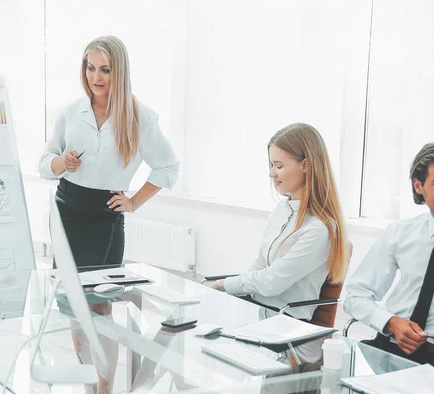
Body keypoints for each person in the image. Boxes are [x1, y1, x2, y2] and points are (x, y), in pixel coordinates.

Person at [39, 35, 179, 393]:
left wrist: (133, 202)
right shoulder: (71, 112)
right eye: (90, 67)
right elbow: (44, 163)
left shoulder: (140, 117)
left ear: (120, 73)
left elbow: (167, 167)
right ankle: (89, 386)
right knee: (74, 308)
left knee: (100, 309)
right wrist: (62, 162)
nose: (96, 77)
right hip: (66, 214)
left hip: (105, 221)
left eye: (105, 69)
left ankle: (104, 389)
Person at [212, 123, 349, 322]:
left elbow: (272, 283)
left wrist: (224, 284)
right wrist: (233, 290)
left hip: (287, 322)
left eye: (279, 166)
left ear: (305, 165)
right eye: (271, 165)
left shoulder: (320, 229)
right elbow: (260, 264)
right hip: (258, 311)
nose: (271, 173)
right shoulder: (281, 210)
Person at [344, 143, 434, 365]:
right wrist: (391, 322)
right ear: (418, 185)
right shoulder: (400, 233)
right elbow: (355, 297)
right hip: (392, 345)